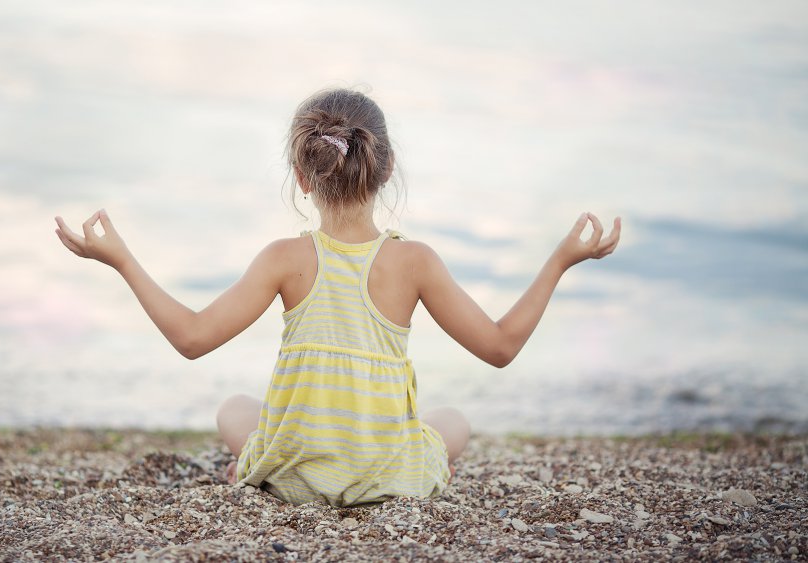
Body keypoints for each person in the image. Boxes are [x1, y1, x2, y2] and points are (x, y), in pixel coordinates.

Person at [54, 88, 621, 507]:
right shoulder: (415, 261)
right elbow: (500, 347)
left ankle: (262, 469)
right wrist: (560, 260)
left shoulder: (285, 258)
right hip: (385, 477)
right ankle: (371, 455)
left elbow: (192, 338)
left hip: (295, 473)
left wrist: (123, 261)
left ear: (303, 176)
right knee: (453, 423)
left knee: (234, 409)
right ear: (386, 168)